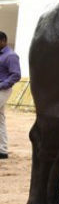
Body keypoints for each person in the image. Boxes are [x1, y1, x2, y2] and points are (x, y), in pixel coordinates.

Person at [0, 31, 21, 160]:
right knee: (0, 120)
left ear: (3, 41)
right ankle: (2, 150)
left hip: (3, 90)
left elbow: (16, 75)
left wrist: (2, 85)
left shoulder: (11, 56)